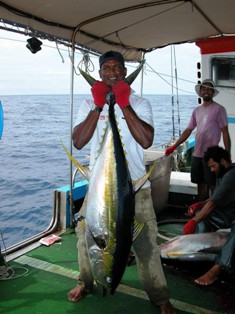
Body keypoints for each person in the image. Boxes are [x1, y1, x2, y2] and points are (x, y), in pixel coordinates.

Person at [67, 51, 176, 313]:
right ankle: (86, 281)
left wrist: (123, 104)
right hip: (98, 190)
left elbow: (147, 140)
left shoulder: (139, 103)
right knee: (85, 239)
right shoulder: (87, 104)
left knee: (147, 245)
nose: (112, 72)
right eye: (107, 68)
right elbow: (79, 141)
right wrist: (98, 106)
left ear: (125, 73)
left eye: (117, 67)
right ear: (101, 72)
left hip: (135, 189)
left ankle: (161, 298)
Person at [165, 79, 231, 201]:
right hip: (197, 154)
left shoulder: (219, 109)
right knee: (200, 183)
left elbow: (225, 132)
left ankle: (216, 212)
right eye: (204, 88)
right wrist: (174, 146)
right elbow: (188, 131)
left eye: (209, 89)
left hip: (211, 155)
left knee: (213, 184)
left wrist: (226, 154)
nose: (206, 91)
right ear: (200, 92)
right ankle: (202, 210)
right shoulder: (197, 111)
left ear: (212, 92)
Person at [183, 146, 235, 286]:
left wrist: (193, 221)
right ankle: (198, 251)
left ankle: (219, 267)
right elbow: (213, 200)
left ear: (223, 161)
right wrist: (199, 205)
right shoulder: (222, 174)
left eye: (213, 166)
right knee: (202, 214)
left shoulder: (232, 175)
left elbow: (212, 204)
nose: (211, 170)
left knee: (201, 216)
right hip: (227, 216)